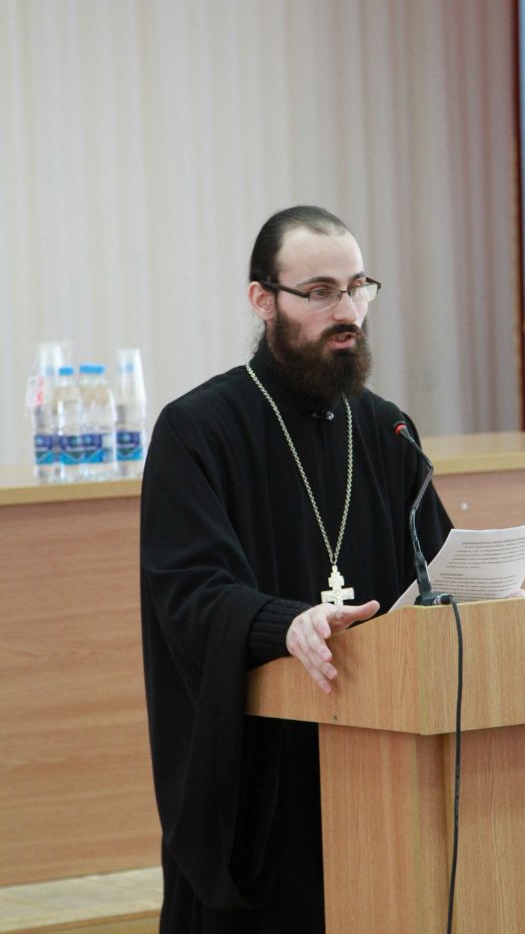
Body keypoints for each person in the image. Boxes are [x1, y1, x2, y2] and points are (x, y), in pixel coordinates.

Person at [140, 205, 453, 933]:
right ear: (263, 300)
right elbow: (189, 594)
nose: (347, 312)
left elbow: (435, 573)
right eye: (319, 292)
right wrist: (286, 624)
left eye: (357, 288)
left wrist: (492, 599)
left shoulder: (385, 429)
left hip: (384, 769)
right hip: (262, 779)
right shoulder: (198, 429)